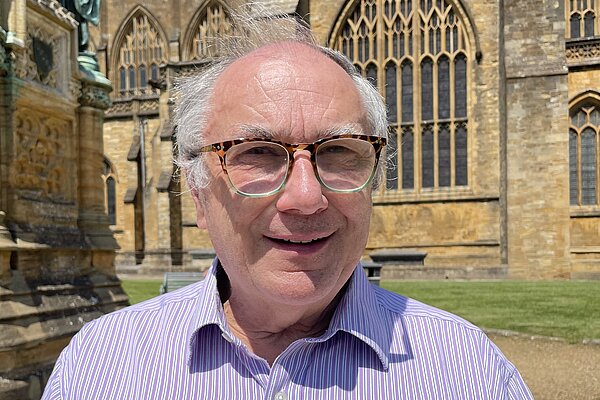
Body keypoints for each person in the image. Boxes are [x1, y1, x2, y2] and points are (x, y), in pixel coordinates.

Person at [42, 10, 533, 400]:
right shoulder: (101, 368)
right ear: (197, 193)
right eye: (257, 153)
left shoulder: (471, 374)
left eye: (339, 151)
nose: (305, 197)